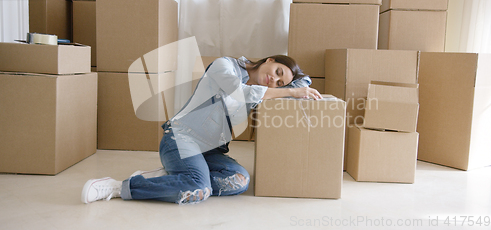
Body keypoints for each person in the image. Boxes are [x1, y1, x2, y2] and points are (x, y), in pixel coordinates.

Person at [81, 55, 322, 204]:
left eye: (281, 82)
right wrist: (290, 90)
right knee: (199, 187)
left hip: (209, 150)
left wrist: (296, 84)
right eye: (278, 72)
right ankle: (118, 187)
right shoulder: (224, 66)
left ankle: (178, 178)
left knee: (239, 181)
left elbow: (304, 81)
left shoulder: (260, 91)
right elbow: (239, 92)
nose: (275, 80)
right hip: (180, 138)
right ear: (270, 60)